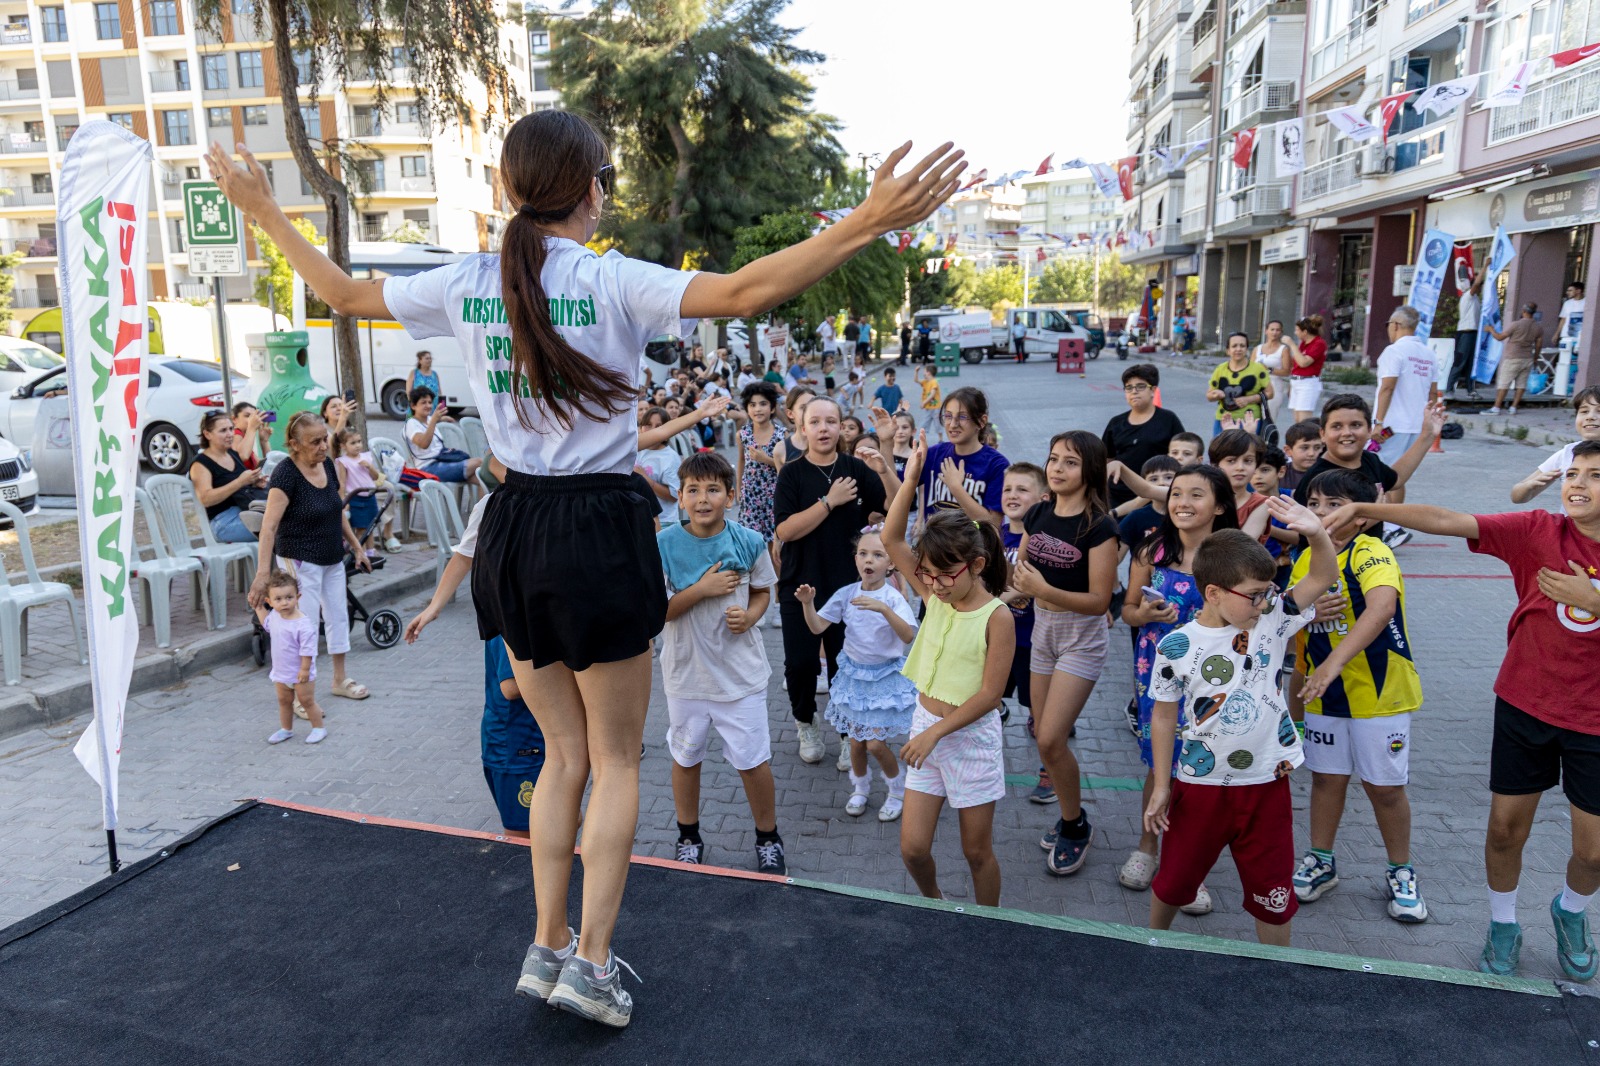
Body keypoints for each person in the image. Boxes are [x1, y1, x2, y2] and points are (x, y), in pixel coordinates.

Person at [211, 112, 967, 1028]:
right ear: (595, 189)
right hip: (598, 526)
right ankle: (593, 964)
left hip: (512, 525)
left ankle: (546, 945)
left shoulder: (464, 281)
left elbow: (333, 287)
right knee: (614, 760)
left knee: (563, 754)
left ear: (506, 190)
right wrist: (866, 219)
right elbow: (742, 293)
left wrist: (260, 207)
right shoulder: (608, 278)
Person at [1322, 444, 1600, 980]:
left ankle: (1570, 911)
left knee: (1591, 853)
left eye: (1594, 474)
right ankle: (1502, 923)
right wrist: (1367, 510)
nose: (1578, 482)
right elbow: (1448, 519)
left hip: (1593, 721)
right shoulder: (1539, 529)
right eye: (1571, 473)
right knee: (1503, 832)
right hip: (1525, 703)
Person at [1145, 513, 1337, 946]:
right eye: (1253, 594)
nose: (1263, 601)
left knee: (1273, 893)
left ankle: (1276, 971)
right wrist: (1161, 785)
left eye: (1267, 591)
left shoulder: (1273, 618)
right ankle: (1152, 944)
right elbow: (1162, 715)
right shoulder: (1177, 645)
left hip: (1267, 783)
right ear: (1213, 593)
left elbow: (1324, 573)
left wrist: (1315, 530)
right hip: (1200, 787)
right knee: (1174, 882)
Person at [882, 433, 1014, 906]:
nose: (933, 584)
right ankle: (935, 903)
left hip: (969, 739)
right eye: (927, 574)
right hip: (926, 727)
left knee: (976, 851)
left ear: (976, 565)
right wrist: (911, 476)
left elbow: (989, 697)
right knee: (913, 848)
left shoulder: (996, 617)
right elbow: (891, 537)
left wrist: (937, 734)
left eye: (944, 574)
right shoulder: (935, 595)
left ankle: (989, 922)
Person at [1291, 470, 1427, 923]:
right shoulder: (1304, 560)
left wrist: (1333, 664)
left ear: (1362, 515)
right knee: (1327, 780)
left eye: (1333, 504)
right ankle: (1321, 860)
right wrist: (1305, 613)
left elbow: (1382, 607)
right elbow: (1289, 621)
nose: (1322, 512)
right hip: (1323, 696)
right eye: (1314, 502)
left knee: (1385, 789)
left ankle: (1401, 869)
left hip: (1380, 693)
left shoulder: (1372, 552)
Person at [657, 453, 785, 873]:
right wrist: (703, 588)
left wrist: (750, 616)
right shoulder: (663, 545)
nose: (702, 498)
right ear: (680, 497)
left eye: (713, 489)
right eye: (692, 489)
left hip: (740, 679)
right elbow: (656, 612)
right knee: (686, 757)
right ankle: (688, 834)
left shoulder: (748, 541)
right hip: (686, 676)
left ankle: (768, 837)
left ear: (731, 496)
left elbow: (765, 590)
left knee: (752, 762)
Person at [1122, 464, 1240, 910]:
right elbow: (1127, 610)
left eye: (1196, 495)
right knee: (1160, 761)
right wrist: (1146, 615)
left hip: (1213, 677)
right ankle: (1147, 848)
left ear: (1220, 506)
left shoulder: (1231, 557)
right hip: (1157, 670)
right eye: (1176, 494)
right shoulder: (1151, 549)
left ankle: (1186, 866)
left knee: (1197, 768)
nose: (1182, 503)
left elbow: (1248, 617)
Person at [401, 482, 546, 844]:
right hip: (517, 746)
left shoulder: (521, 603)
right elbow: (512, 687)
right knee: (523, 835)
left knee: (553, 816)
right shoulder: (511, 612)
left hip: (528, 742)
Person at [1010, 431, 1119, 876]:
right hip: (1043, 630)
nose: (1056, 469)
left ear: (1089, 470)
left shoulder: (1100, 526)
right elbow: (1021, 573)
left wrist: (1043, 590)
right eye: (1053, 459)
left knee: (1053, 738)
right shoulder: (1038, 512)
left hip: (1082, 637)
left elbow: (1100, 600)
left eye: (1069, 463)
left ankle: (1075, 825)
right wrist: (1009, 594)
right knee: (1042, 735)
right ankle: (1071, 814)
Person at [776, 397, 899, 764]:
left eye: (831, 421)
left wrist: (887, 447)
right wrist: (829, 502)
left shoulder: (855, 469)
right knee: (801, 665)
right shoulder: (793, 474)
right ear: (803, 428)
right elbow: (785, 529)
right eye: (816, 422)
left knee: (847, 664)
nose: (824, 428)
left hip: (847, 589)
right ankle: (805, 722)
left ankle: (848, 735)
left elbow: (893, 506)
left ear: (841, 425)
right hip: (800, 588)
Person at [249, 411, 372, 702]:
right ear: (295, 444)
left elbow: (336, 510)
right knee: (300, 626)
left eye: (324, 439)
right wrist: (262, 574)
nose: (323, 446)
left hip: (331, 555)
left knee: (338, 617)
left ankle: (340, 679)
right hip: (299, 557)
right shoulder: (286, 475)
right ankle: (300, 693)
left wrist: (356, 546)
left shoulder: (327, 465)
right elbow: (269, 528)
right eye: (314, 441)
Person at [799, 525, 918, 820]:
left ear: (890, 564)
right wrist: (807, 604)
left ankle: (896, 789)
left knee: (876, 744)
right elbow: (817, 627)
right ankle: (861, 788)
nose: (869, 560)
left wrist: (883, 610)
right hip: (854, 678)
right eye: (863, 553)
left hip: (883, 679)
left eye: (878, 555)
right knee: (855, 744)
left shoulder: (893, 599)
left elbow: (907, 636)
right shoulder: (846, 594)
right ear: (855, 559)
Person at [1291, 394, 1444, 511]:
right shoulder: (1316, 478)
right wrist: (1376, 515)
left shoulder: (1370, 460)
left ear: (1369, 431)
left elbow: (1397, 480)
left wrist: (1427, 435)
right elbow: (1315, 532)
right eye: (1337, 426)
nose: (1347, 433)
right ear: (1323, 434)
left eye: (1356, 425)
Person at [1372, 305, 1439, 534]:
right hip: (1415, 424)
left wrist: (1378, 421)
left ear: (1396, 325)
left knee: (1379, 474)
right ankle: (1393, 524)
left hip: (1391, 425)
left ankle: (1388, 525)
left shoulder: (1394, 352)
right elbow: (1432, 393)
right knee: (1398, 476)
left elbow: (1387, 387)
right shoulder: (1428, 354)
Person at [998, 463, 1048, 729]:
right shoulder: (998, 536)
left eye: (1022, 489)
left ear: (1044, 499)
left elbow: (1035, 583)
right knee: (990, 689)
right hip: (1001, 635)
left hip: (1032, 637)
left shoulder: (1044, 540)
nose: (1012, 495)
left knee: (1034, 698)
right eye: (1008, 489)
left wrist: (1002, 598)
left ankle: (1040, 721)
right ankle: (997, 711)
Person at [917, 386, 1009, 527]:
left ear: (982, 421)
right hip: (933, 547)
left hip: (974, 548)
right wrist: (885, 465)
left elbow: (993, 525)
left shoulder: (997, 465)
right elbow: (892, 499)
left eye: (962, 417)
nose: (953, 424)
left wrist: (956, 488)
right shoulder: (934, 454)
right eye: (948, 416)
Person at [257, 569, 327, 745]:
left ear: (298, 596)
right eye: (278, 599)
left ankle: (319, 728)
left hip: (300, 672)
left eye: (289, 597)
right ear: (270, 602)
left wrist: (304, 669)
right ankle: (286, 729)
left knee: (306, 700)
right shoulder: (274, 616)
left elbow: (308, 650)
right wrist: (257, 607)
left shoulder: (302, 624)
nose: (284, 603)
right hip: (281, 671)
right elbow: (267, 625)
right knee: (284, 700)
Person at [1102, 364, 1184, 509]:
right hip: (1119, 497)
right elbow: (1107, 460)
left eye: (1140, 386)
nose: (1134, 391)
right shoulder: (1116, 423)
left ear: (1153, 390)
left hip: (1156, 496)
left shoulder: (1168, 419)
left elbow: (1182, 455)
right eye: (1129, 387)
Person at [190, 410, 268, 544]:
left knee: (287, 518)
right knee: (278, 526)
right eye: (223, 430)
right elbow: (205, 499)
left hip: (245, 511)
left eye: (231, 429)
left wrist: (254, 482)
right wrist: (240, 482)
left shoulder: (231, 454)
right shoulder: (200, 463)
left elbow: (240, 485)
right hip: (223, 522)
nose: (230, 434)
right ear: (207, 434)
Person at [1512, 387, 1600, 503]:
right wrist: (1528, 487)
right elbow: (1517, 497)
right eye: (1584, 411)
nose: (1590, 417)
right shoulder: (1567, 454)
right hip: (1570, 521)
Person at [734, 381, 786, 548]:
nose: (757, 409)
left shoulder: (782, 435)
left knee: (775, 544)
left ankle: (777, 575)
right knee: (751, 542)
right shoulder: (742, 434)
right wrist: (739, 489)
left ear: (772, 408)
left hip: (775, 495)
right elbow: (741, 460)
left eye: (763, 404)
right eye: (752, 404)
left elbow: (787, 469)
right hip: (750, 495)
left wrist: (767, 460)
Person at [334, 428, 399, 554]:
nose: (357, 445)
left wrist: (369, 467)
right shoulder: (343, 461)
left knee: (371, 526)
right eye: (353, 443)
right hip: (355, 498)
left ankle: (371, 551)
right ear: (343, 446)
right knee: (361, 528)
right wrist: (343, 500)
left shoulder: (366, 457)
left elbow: (375, 477)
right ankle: (361, 553)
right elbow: (341, 482)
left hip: (370, 496)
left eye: (359, 441)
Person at [406, 386, 482, 484]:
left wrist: (441, 419)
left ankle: (484, 500)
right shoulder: (411, 424)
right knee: (479, 462)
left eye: (430, 402)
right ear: (413, 406)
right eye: (423, 402)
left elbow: (431, 422)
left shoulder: (428, 420)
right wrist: (434, 420)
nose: (428, 406)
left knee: (481, 478)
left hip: (442, 461)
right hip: (427, 468)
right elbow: (424, 444)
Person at [1207, 332, 1271, 437]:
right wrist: (1216, 394)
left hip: (1249, 421)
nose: (1238, 349)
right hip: (1223, 419)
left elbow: (1270, 393)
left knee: (1246, 451)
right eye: (1234, 346)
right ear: (1228, 350)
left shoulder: (1258, 369)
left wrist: (1249, 399)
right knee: (1220, 451)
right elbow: (1209, 395)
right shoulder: (1220, 369)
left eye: (1242, 346)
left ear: (1247, 349)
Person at [1488, 303, 1545, 415]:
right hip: (1527, 358)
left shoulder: (1516, 324)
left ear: (1524, 311)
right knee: (1521, 384)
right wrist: (1535, 358)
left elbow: (1500, 337)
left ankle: (1496, 407)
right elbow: (1538, 345)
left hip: (1513, 357)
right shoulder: (1538, 327)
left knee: (1504, 383)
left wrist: (1491, 329)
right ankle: (1514, 407)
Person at [634, 408, 682, 526]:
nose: (652, 430)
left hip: (663, 520)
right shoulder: (635, 450)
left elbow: (674, 496)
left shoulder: (669, 457)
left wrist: (645, 478)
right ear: (640, 428)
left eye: (658, 426)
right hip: (636, 517)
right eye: (648, 425)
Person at [1288, 315, 1327, 424]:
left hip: (1308, 383)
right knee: (1297, 419)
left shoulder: (1318, 343)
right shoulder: (1303, 344)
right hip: (1297, 381)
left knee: (1304, 420)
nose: (1295, 333)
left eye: (1297, 330)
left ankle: (1308, 440)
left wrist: (1292, 345)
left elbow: (1303, 362)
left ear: (1305, 332)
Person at [1451, 275, 1485, 399]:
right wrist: (1485, 266)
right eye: (1480, 286)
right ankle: (1449, 389)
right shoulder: (1468, 296)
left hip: (1473, 333)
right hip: (1465, 333)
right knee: (1460, 362)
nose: (1481, 289)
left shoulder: (1476, 298)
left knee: (1471, 363)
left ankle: (1470, 389)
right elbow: (1476, 284)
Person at [1255, 320, 1294, 420]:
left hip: (1274, 385)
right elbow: (1249, 367)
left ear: (1281, 332)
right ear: (1266, 331)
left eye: (1278, 330)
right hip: (1257, 385)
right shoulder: (1257, 348)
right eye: (1272, 329)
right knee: (1254, 418)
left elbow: (1286, 371)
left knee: (1269, 418)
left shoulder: (1284, 349)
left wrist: (1269, 369)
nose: (1274, 332)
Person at [1280, 420, 1324, 496]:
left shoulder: (1329, 473)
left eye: (1317, 447)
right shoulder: (1279, 474)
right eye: (1305, 447)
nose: (1311, 453)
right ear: (1288, 451)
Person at [915, 363, 943, 440]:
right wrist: (916, 372)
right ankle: (921, 440)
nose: (923, 373)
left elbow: (932, 394)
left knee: (937, 424)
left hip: (936, 408)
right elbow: (916, 380)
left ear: (929, 372)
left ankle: (941, 439)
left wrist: (924, 402)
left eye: (924, 371)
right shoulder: (925, 382)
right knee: (925, 424)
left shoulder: (934, 382)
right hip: (928, 408)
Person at [1559, 281, 1586, 350]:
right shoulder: (1567, 303)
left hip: (1580, 336)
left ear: (1578, 291)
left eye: (1570, 290)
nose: (1567, 292)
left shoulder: (1587, 303)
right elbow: (1563, 319)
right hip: (1566, 335)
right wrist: (1557, 334)